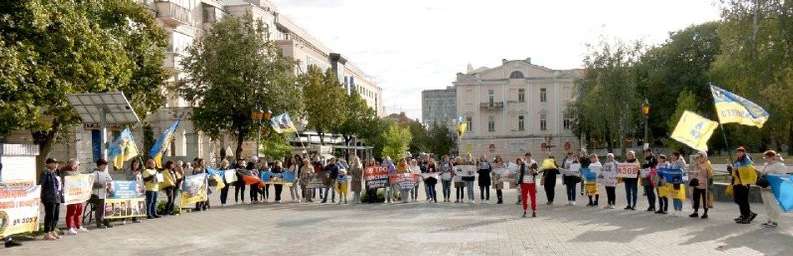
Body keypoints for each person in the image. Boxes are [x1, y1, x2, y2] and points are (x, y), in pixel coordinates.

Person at [730, 147, 758, 224]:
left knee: (744, 201)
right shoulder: (737, 160)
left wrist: (737, 170)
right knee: (737, 200)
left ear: (744, 152)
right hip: (737, 183)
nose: (739, 153)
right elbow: (734, 172)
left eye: (741, 152)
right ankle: (746, 214)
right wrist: (730, 169)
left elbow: (748, 171)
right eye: (738, 152)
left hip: (744, 183)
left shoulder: (747, 160)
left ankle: (747, 216)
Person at [759, 150, 786, 228]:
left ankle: (775, 221)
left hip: (772, 188)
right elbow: (763, 174)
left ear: (772, 157)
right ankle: (769, 220)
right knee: (767, 205)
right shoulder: (766, 165)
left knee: (773, 205)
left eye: (767, 157)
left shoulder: (779, 165)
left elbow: (781, 176)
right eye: (766, 157)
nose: (766, 159)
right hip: (764, 187)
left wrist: (769, 174)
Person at [60, 159, 87, 235]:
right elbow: (68, 181)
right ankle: (70, 227)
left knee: (79, 210)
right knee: (71, 210)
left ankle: (78, 226)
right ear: (72, 164)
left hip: (78, 194)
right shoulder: (66, 172)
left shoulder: (77, 172)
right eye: (77, 164)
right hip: (71, 194)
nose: (78, 166)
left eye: (78, 165)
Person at [40, 158, 63, 240]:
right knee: (49, 215)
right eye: (54, 163)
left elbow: (58, 185)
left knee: (55, 215)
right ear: (48, 164)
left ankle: (52, 230)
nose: (56, 165)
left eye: (57, 163)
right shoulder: (45, 173)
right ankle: (46, 233)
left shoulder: (55, 172)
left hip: (57, 197)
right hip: (49, 197)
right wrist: (43, 196)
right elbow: (41, 185)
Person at [689, 151, 713, 219]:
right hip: (697, 184)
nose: (699, 158)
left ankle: (705, 212)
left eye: (701, 156)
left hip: (705, 184)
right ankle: (695, 212)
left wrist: (700, 167)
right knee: (695, 198)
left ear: (704, 157)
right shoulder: (697, 163)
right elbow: (695, 173)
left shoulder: (707, 163)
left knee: (705, 199)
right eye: (698, 157)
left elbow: (708, 174)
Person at [91, 159, 113, 228]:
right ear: (99, 166)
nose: (104, 167)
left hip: (105, 194)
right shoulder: (94, 173)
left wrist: (109, 186)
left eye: (105, 166)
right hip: (98, 195)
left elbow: (110, 181)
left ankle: (106, 222)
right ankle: (99, 223)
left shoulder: (106, 173)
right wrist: (100, 185)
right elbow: (91, 184)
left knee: (107, 209)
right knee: (99, 210)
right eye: (103, 165)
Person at [669, 152, 687, 216]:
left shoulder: (680, 161)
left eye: (673, 156)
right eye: (672, 156)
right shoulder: (672, 162)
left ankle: (679, 209)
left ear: (677, 156)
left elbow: (684, 170)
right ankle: (675, 209)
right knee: (674, 195)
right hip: (672, 181)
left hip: (679, 181)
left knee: (678, 195)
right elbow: (669, 170)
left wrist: (680, 172)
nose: (672, 157)